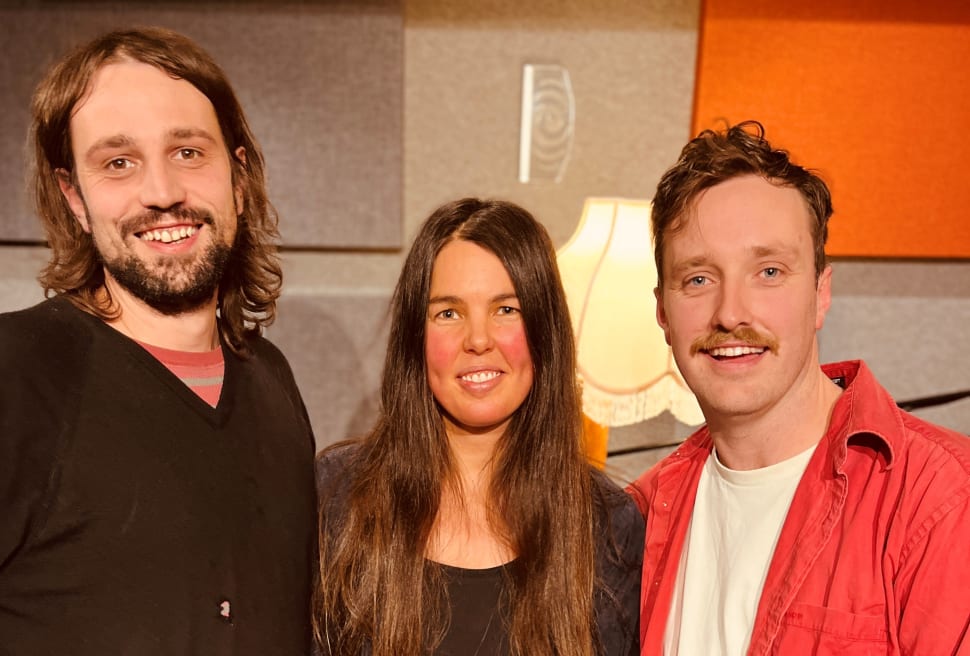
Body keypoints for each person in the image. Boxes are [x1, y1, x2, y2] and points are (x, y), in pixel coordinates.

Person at [0, 27, 316, 654]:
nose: (161, 193)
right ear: (73, 197)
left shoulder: (270, 376)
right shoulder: (3, 376)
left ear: (238, 177)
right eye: (118, 163)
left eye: (188, 152)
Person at [628, 121, 970, 654]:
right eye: (698, 278)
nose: (731, 312)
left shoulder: (943, 501)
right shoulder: (639, 516)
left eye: (768, 271)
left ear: (820, 292)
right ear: (662, 311)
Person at [313, 198, 644, 656]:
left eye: (506, 309)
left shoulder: (607, 527)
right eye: (448, 313)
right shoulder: (338, 498)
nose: (479, 340)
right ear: (416, 338)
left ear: (544, 329)